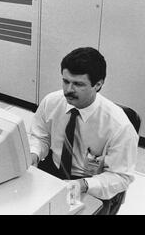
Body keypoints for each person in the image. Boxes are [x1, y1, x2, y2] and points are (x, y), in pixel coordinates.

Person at [29, 47, 138, 215]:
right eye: (65, 81)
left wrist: (84, 185)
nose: (68, 90)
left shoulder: (119, 126)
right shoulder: (51, 101)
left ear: (98, 84)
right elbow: (40, 136)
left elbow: (120, 177)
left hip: (92, 183)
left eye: (78, 84)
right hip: (55, 169)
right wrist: (34, 153)